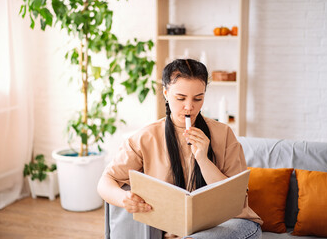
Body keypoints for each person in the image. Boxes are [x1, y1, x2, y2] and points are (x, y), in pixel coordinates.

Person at [98, 59, 263, 239]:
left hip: (234, 223)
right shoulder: (145, 138)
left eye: (198, 98)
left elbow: (234, 200)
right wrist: (124, 199)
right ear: (166, 93)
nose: (189, 107)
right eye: (181, 98)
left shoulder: (223, 134)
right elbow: (106, 181)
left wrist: (203, 159)